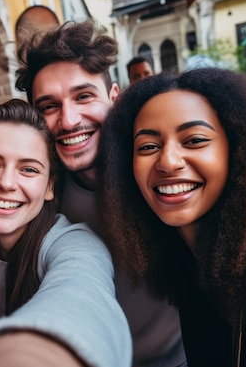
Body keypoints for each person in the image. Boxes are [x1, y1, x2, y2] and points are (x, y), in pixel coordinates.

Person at [97, 68, 246, 367]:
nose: (168, 161)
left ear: (238, 151)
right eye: (148, 146)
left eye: (194, 140)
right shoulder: (190, 257)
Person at [15, 20, 186, 367]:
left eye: (83, 96)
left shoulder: (163, 170)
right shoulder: (39, 193)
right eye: (49, 106)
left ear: (115, 98)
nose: (68, 120)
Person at [0, 99, 130, 367]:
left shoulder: (73, 244)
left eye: (28, 169)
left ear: (49, 186)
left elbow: (81, 297)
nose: (6, 183)